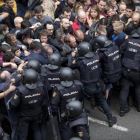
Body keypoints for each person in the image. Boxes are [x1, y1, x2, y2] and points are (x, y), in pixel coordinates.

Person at [68, 41, 117, 127]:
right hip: (98, 86)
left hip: (87, 89)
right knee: (102, 101)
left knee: (80, 99)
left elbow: (70, 65)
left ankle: (79, 118)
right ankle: (110, 119)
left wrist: (71, 56)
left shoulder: (80, 61)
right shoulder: (96, 56)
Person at [10, 69, 48, 140]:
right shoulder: (40, 87)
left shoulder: (20, 90)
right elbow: (43, 100)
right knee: (36, 130)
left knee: (23, 133)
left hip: (24, 116)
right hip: (37, 114)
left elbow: (13, 104)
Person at [51, 67, 83, 140]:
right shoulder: (78, 85)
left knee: (64, 131)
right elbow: (80, 98)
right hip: (77, 113)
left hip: (64, 116)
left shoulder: (58, 89)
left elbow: (54, 104)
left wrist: (54, 113)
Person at [119, 32, 140, 116]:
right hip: (136, 72)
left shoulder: (128, 41)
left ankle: (122, 110)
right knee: (138, 87)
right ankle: (139, 106)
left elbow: (121, 49)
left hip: (125, 70)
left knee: (124, 89)